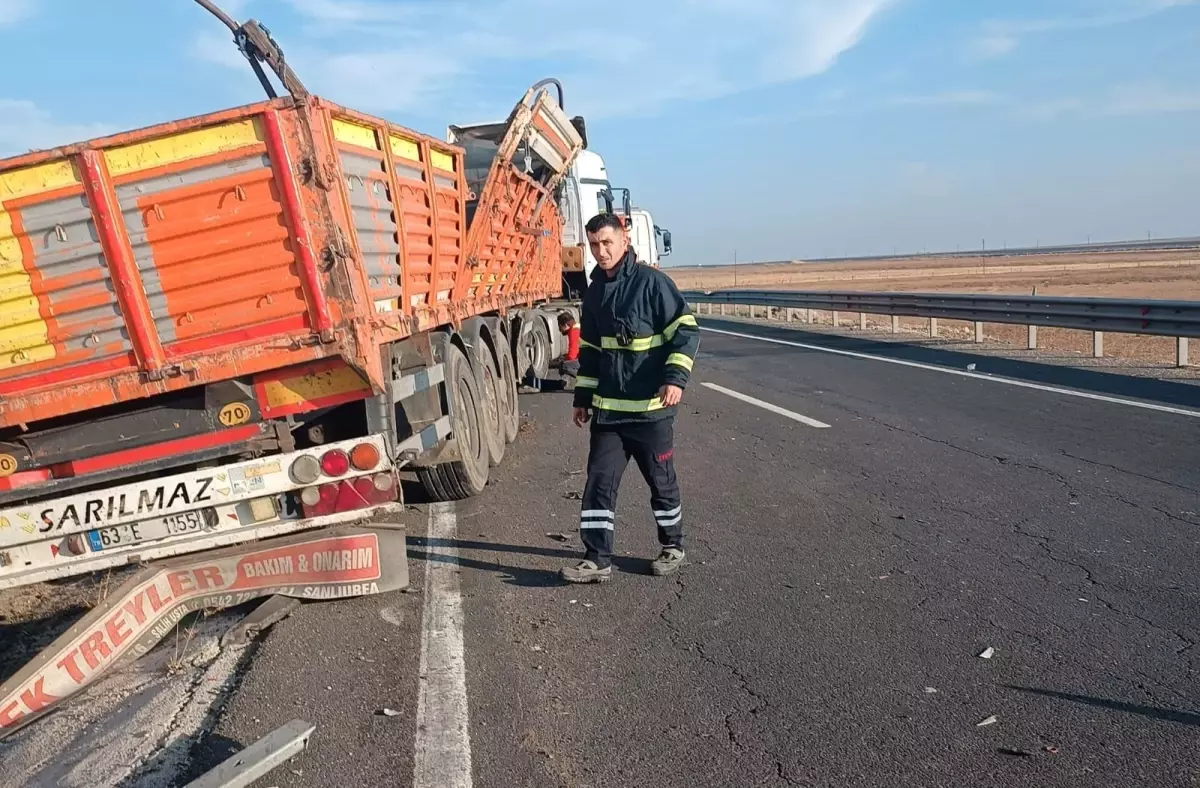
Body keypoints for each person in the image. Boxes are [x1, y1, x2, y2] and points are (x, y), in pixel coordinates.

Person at [562, 213, 699, 583]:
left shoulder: (652, 284)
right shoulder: (594, 294)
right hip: (609, 415)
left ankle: (673, 546)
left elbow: (685, 332)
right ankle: (596, 559)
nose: (601, 251)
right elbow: (590, 351)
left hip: (652, 414)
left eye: (607, 242)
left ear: (624, 239)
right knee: (599, 484)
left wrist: (675, 379)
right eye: (594, 245)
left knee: (661, 482)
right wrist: (582, 398)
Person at [550, 312, 581, 390]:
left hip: (586, 359)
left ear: (566, 325)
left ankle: (583, 379)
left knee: (564, 366)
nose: (560, 331)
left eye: (560, 327)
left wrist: (563, 362)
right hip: (590, 357)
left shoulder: (573, 332)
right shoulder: (578, 327)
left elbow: (572, 355)